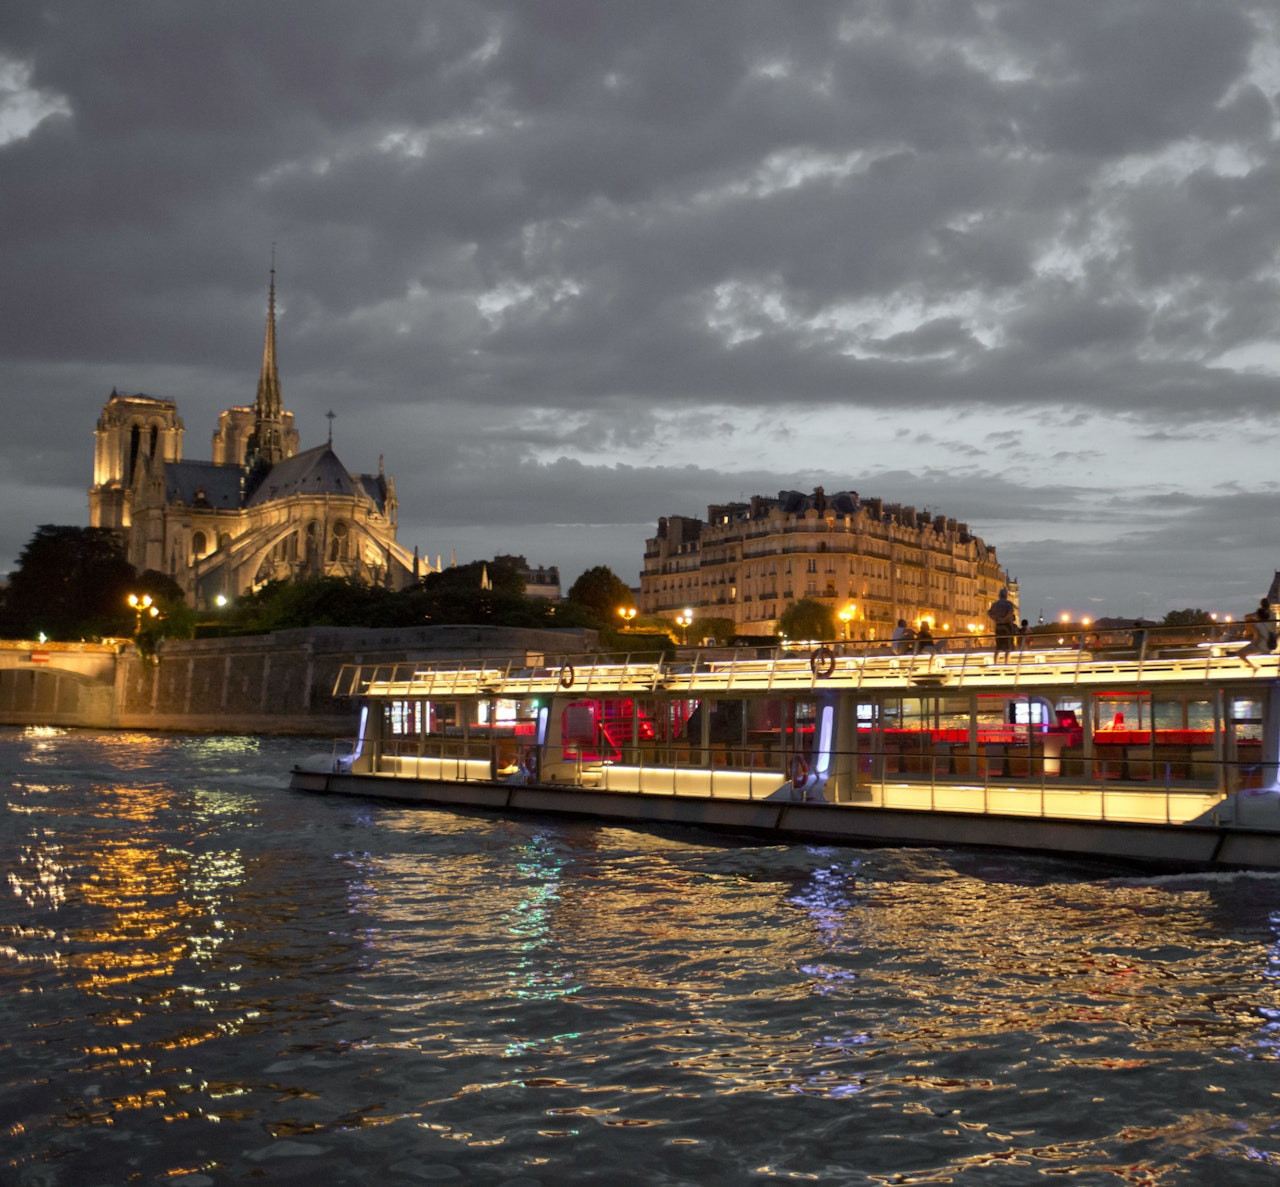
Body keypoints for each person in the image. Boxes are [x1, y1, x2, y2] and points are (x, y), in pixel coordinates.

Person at [1236, 599, 1275, 672]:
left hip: (1260, 645)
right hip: (1271, 644)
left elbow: (1247, 616)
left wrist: (1249, 627)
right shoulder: (1273, 615)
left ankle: (1254, 667)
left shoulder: (1259, 616)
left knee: (1240, 653)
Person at [987, 587, 1016, 662]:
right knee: (1007, 646)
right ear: (1006, 595)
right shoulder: (1009, 604)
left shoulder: (995, 604)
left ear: (999, 595)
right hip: (1007, 626)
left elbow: (989, 613)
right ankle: (1006, 662)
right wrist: (1004, 618)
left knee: (998, 646)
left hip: (998, 626)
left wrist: (996, 618)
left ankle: (995, 663)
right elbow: (1010, 613)